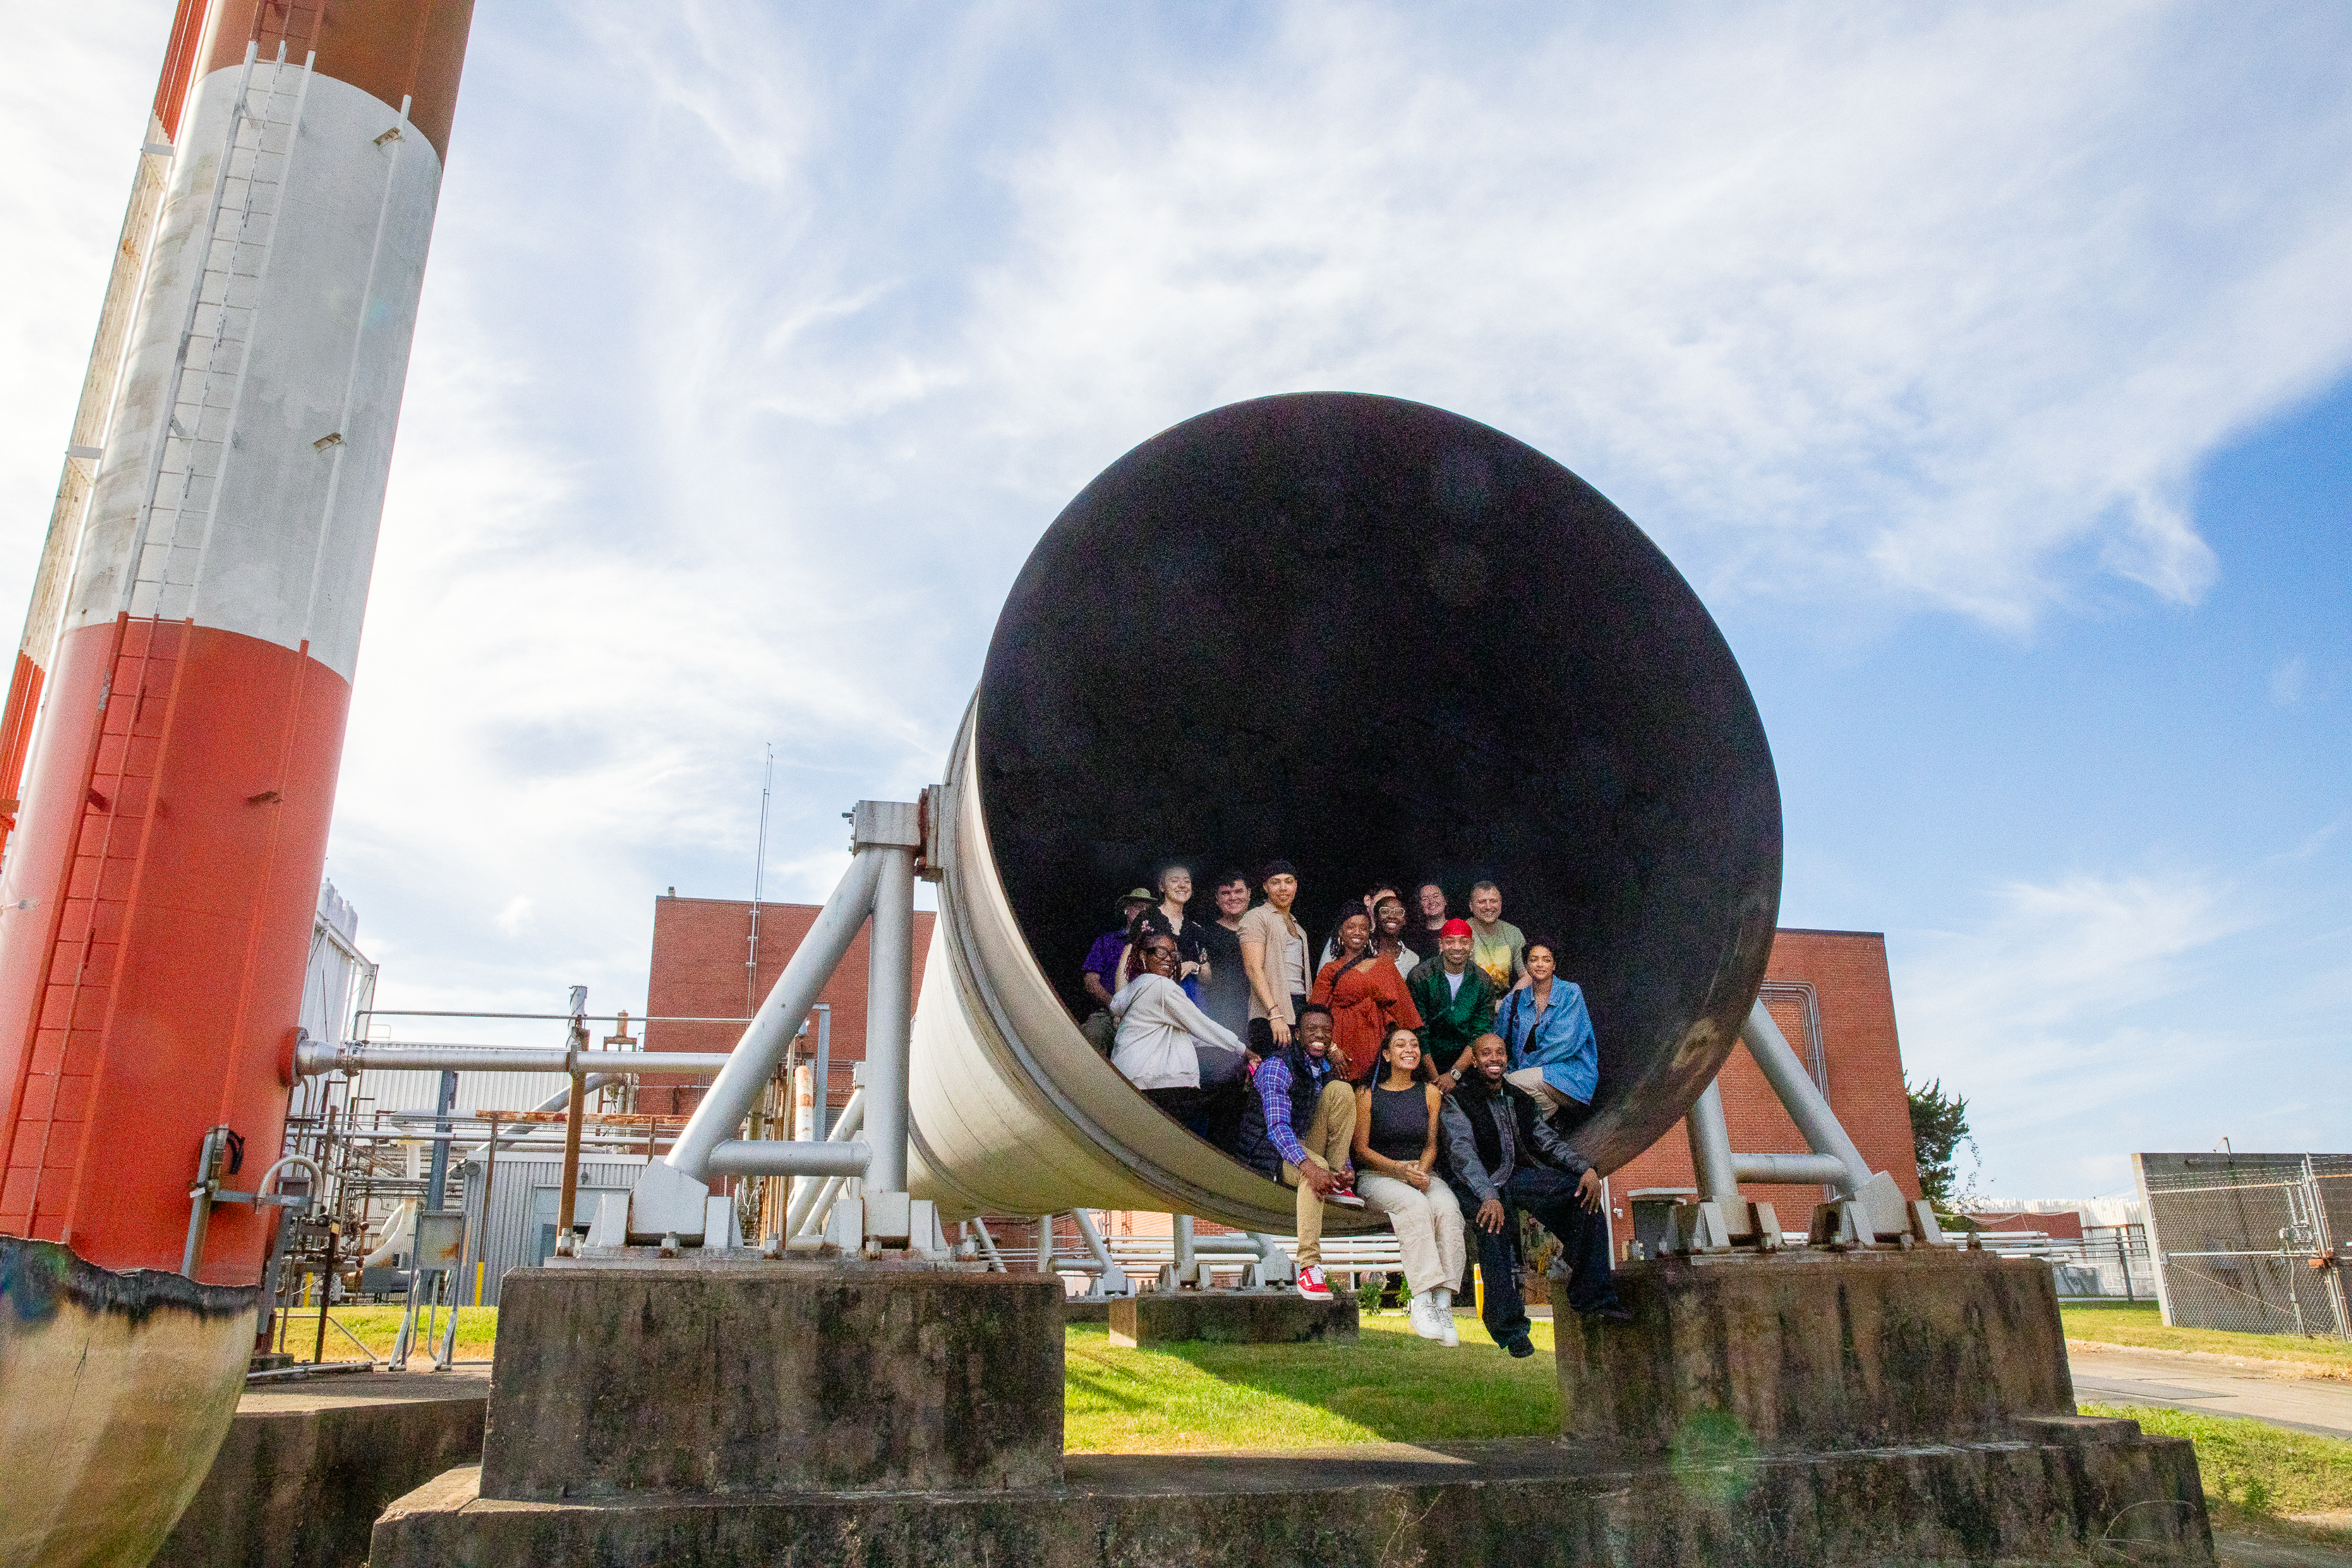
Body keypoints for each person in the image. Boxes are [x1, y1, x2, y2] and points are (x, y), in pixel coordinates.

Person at [1439, 1032, 1625, 1355]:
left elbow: (1547, 1142)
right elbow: (1462, 1154)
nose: (1493, 1059)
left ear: (1506, 1059)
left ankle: (1593, 1295)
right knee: (1492, 1225)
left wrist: (1586, 1169)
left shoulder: (1518, 1098)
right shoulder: (1459, 1098)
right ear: (1474, 1059)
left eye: (1499, 1053)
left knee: (1583, 1195)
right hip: (1475, 1185)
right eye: (1485, 1053)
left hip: (1513, 1177)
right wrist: (1489, 1196)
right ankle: (1510, 1330)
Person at [1234, 1003, 1364, 1301]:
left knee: (1342, 1092)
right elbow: (1277, 1128)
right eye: (1311, 1030)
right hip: (1266, 1152)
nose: (1319, 1036)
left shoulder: (1323, 1069)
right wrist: (1310, 1167)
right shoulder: (1276, 1067)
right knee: (1313, 1170)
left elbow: (1328, 1123)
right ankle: (1309, 1268)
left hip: (1303, 1145)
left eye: (1326, 1031)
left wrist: (1344, 1167)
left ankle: (1336, 1179)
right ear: (1296, 1034)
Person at [1351, 1025, 1467, 1345]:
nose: (1410, 1049)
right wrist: (1400, 1171)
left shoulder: (1430, 1092)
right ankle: (1422, 1299)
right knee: (1416, 1206)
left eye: (1415, 1044)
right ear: (1387, 1055)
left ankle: (1443, 1303)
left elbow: (1431, 1144)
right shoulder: (1367, 1094)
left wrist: (1422, 1170)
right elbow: (1361, 1150)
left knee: (1447, 1208)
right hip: (1378, 1176)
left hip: (1420, 1172)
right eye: (1400, 1044)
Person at [1110, 930, 1249, 1145]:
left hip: (1129, 1080)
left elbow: (1185, 1034)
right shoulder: (1162, 987)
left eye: (1173, 954)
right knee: (1230, 1090)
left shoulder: (1134, 988)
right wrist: (1244, 1050)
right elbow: (1202, 1025)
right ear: (1143, 956)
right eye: (1161, 952)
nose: (1168, 958)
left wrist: (1223, 1047)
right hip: (1157, 1085)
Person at [1490, 937, 1598, 1126]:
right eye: (1533, 959)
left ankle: (1546, 1118)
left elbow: (1562, 1045)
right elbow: (1499, 1041)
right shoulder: (1514, 1000)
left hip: (1570, 1076)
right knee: (1503, 1090)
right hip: (1529, 1078)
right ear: (1526, 964)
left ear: (1554, 965)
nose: (1539, 965)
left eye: (1546, 959)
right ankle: (1550, 1120)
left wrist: (1517, 1072)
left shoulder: (1570, 993)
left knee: (1508, 1085)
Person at [1310, 909, 1424, 1080]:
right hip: (1340, 1052)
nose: (1357, 932)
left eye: (1363, 928)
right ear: (1341, 932)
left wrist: (1400, 1051)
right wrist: (1332, 1049)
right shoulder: (1330, 970)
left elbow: (1406, 1013)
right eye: (1351, 927)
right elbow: (1315, 1016)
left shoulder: (1385, 965)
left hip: (1379, 1051)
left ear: (1369, 933)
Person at [1408, 917, 1496, 1090]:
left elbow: (1479, 1033)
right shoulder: (1421, 976)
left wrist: (1453, 1075)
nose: (1457, 947)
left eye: (1463, 942)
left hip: (1465, 1066)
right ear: (1441, 944)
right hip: (1424, 1062)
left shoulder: (1482, 980)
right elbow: (1419, 1030)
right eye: (1450, 941)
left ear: (1471, 944)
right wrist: (1435, 1079)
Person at [1239, 860, 1312, 1057]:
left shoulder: (1299, 928)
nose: (1283, 888)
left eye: (1288, 881)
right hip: (1271, 1011)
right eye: (1275, 882)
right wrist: (1274, 1013)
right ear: (1265, 887)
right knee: (1276, 1074)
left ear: (1296, 885)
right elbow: (1253, 969)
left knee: (1299, 1077)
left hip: (1299, 1006)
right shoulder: (1256, 917)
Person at [1127, 863, 1209, 1000]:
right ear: (1162, 886)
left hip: (1189, 1003)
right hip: (1151, 999)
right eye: (1174, 880)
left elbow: (1208, 979)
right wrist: (1121, 1008)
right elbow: (1126, 965)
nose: (1182, 885)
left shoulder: (1196, 929)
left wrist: (1194, 966)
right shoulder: (1146, 919)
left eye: (1187, 881)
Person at [1194, 869, 1255, 1046]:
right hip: (1224, 1012)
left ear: (1249, 894)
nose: (1233, 897)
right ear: (1217, 899)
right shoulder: (1206, 933)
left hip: (1259, 1011)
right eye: (1226, 893)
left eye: (1238, 891)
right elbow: (1205, 980)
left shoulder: (1262, 928)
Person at [1084, 888, 1156, 1009]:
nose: (1144, 912)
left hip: (1146, 1015)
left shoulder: (1156, 943)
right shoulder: (1106, 941)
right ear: (1127, 909)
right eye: (1139, 907)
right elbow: (1090, 980)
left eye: (1148, 909)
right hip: (1108, 1010)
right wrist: (1114, 1005)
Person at [1321, 883, 1404, 967]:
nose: (1388, 906)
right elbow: (1325, 972)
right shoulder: (1345, 937)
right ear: (1368, 900)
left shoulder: (1398, 947)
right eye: (1383, 901)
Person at [1466, 880, 1527, 994]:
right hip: (1471, 1004)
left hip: (1504, 1003)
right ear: (1471, 906)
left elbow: (1526, 975)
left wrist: (1507, 1002)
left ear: (1500, 904)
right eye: (1482, 902)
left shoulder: (1513, 933)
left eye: (1493, 901)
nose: (1488, 906)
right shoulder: (1462, 933)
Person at [1368, 892, 1420, 978]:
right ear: (1376, 917)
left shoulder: (1413, 959)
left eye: (1398, 912)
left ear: (1404, 920)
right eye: (1385, 911)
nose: (1392, 916)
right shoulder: (1365, 952)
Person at [1415, 881, 1450, 948]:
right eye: (1425, 899)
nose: (1431, 901)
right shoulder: (1416, 937)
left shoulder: (1457, 928)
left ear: (1445, 900)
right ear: (1420, 906)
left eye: (1436, 896)